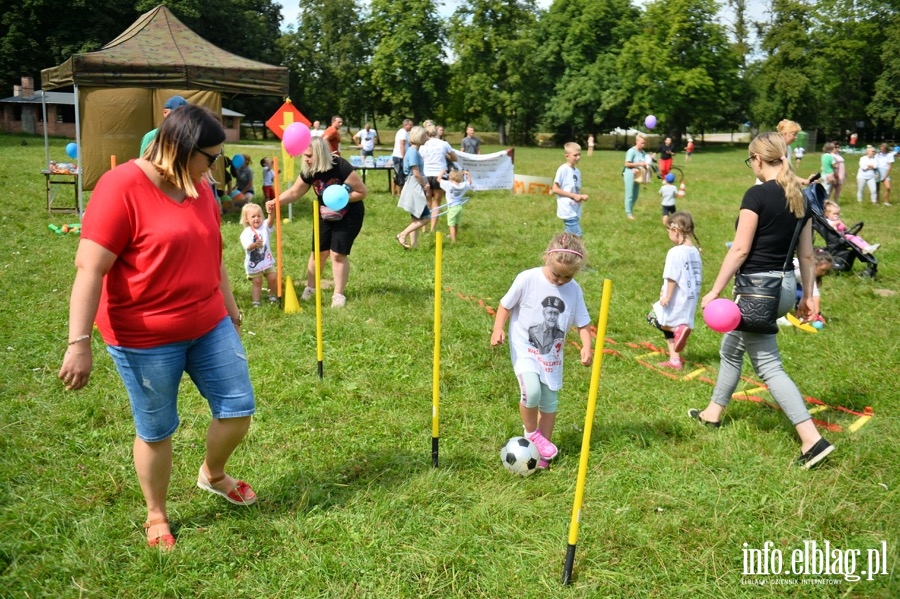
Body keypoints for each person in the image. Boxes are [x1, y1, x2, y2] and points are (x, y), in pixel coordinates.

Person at [58, 104, 257, 551]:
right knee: (157, 428)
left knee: (238, 409)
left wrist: (229, 307)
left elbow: (213, 251)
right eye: (211, 157)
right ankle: (157, 513)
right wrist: (78, 343)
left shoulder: (199, 186)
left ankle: (213, 474)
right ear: (184, 150)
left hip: (208, 322)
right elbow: (89, 269)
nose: (215, 169)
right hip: (144, 337)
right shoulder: (120, 187)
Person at [692, 131, 834, 470]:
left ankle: (812, 439)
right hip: (785, 289)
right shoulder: (799, 197)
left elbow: (740, 249)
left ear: (757, 159)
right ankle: (713, 413)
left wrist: (713, 291)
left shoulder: (756, 195)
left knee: (769, 366)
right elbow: (808, 256)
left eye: (749, 160)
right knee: (731, 348)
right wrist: (809, 296)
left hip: (757, 293)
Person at [490, 234, 593, 468]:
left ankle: (542, 451)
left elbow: (583, 323)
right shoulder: (527, 279)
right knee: (532, 392)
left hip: (551, 357)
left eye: (567, 276)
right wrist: (498, 329)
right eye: (556, 274)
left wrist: (587, 347)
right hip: (524, 347)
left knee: (549, 404)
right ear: (547, 258)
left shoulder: (574, 290)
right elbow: (505, 305)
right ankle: (531, 433)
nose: (560, 281)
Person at [268, 136, 367, 308]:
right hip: (324, 213)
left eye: (309, 156)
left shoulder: (341, 167)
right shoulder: (309, 169)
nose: (305, 159)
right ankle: (311, 288)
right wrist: (275, 201)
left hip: (349, 213)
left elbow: (362, 192)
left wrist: (340, 200)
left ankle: (338, 295)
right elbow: (294, 192)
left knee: (337, 253)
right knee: (318, 252)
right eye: (304, 155)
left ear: (320, 154)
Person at [647, 212, 702, 370]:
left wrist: (667, 296)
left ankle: (676, 330)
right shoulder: (694, 252)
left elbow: (672, 277)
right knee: (671, 324)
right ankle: (675, 360)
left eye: (668, 231)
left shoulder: (675, 252)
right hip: (689, 299)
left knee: (653, 317)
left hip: (676, 298)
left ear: (676, 230)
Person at [395, 126, 430, 249]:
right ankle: (402, 234)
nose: (427, 137)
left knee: (416, 216)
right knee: (426, 217)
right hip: (414, 184)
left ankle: (414, 246)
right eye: (425, 135)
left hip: (412, 183)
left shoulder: (413, 150)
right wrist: (425, 184)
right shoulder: (413, 152)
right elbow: (416, 172)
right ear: (419, 137)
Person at [420, 123, 459, 233]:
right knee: (436, 202)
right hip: (440, 175)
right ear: (436, 133)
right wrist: (445, 156)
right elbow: (454, 158)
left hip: (426, 174)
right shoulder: (444, 144)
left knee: (427, 202)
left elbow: (421, 159)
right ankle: (432, 229)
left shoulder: (423, 146)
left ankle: (424, 228)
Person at [239, 203, 278, 306]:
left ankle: (272, 295)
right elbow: (247, 247)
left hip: (267, 260)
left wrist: (271, 212)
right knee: (257, 282)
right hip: (254, 263)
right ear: (247, 219)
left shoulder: (264, 227)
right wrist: (254, 245)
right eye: (253, 216)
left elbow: (270, 221)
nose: (257, 218)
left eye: (259, 216)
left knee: (273, 277)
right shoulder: (246, 233)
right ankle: (256, 302)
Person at [552, 142, 588, 237]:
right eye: (575, 155)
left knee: (570, 235)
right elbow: (555, 189)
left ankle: (563, 249)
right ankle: (570, 251)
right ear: (567, 156)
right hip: (567, 208)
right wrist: (574, 196)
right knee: (577, 235)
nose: (578, 157)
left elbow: (574, 189)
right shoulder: (563, 169)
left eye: (579, 155)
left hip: (575, 208)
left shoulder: (577, 172)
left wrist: (580, 196)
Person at [439, 168, 473, 242]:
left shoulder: (448, 184)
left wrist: (442, 172)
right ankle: (454, 235)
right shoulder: (463, 185)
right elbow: (469, 183)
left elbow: (438, 180)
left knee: (451, 224)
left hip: (452, 207)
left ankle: (453, 240)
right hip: (459, 207)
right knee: (456, 223)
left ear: (450, 177)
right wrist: (469, 175)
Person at [623, 133, 647, 220]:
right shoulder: (631, 151)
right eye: (641, 143)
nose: (643, 145)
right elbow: (627, 164)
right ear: (636, 142)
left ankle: (630, 210)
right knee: (629, 194)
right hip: (630, 174)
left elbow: (645, 162)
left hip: (639, 175)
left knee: (635, 195)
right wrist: (638, 164)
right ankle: (628, 213)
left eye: (644, 143)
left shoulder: (643, 153)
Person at [391, 119, 413, 195]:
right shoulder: (403, 133)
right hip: (399, 156)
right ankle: (399, 193)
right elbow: (402, 145)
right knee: (399, 174)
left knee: (397, 174)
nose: (411, 127)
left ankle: (394, 192)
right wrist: (404, 157)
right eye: (410, 125)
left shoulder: (403, 132)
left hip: (399, 156)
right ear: (406, 125)